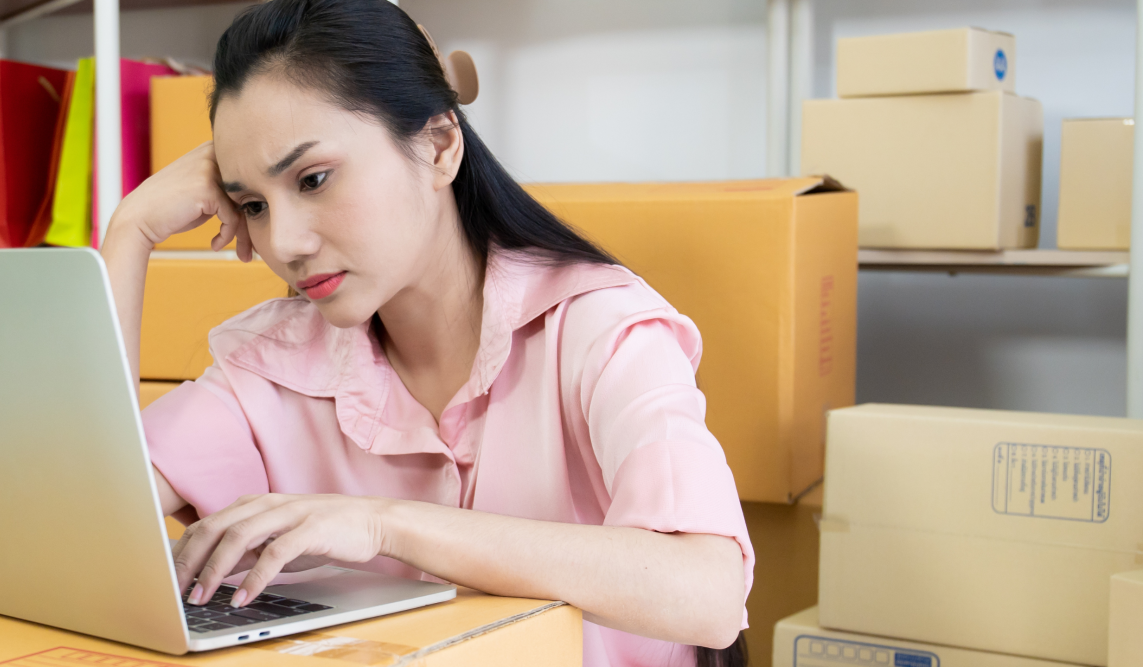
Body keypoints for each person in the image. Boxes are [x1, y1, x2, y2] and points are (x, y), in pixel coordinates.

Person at [100, 1, 753, 664]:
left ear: (439, 145)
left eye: (314, 178)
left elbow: (709, 591)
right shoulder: (272, 364)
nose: (284, 242)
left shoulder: (601, 330)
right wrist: (131, 234)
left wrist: (383, 524)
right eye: (253, 206)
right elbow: (84, 529)